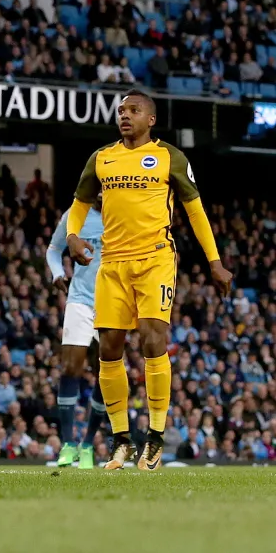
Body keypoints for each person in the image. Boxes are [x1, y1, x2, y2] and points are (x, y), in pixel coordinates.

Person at [63, 91, 231, 471]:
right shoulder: (102, 158)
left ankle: (154, 439)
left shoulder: (171, 157)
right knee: (108, 348)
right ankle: (121, 441)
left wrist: (215, 261)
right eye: (121, 110)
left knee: (153, 336)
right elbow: (79, 203)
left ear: (150, 119)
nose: (125, 116)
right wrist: (72, 236)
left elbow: (195, 210)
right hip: (113, 263)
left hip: (155, 259)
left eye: (134, 111)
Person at [47, 203, 107, 468]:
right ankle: (68, 443)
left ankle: (88, 445)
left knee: (107, 373)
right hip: (80, 300)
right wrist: (58, 273)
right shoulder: (74, 214)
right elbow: (53, 250)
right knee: (71, 367)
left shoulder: (124, 211)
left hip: (113, 301)